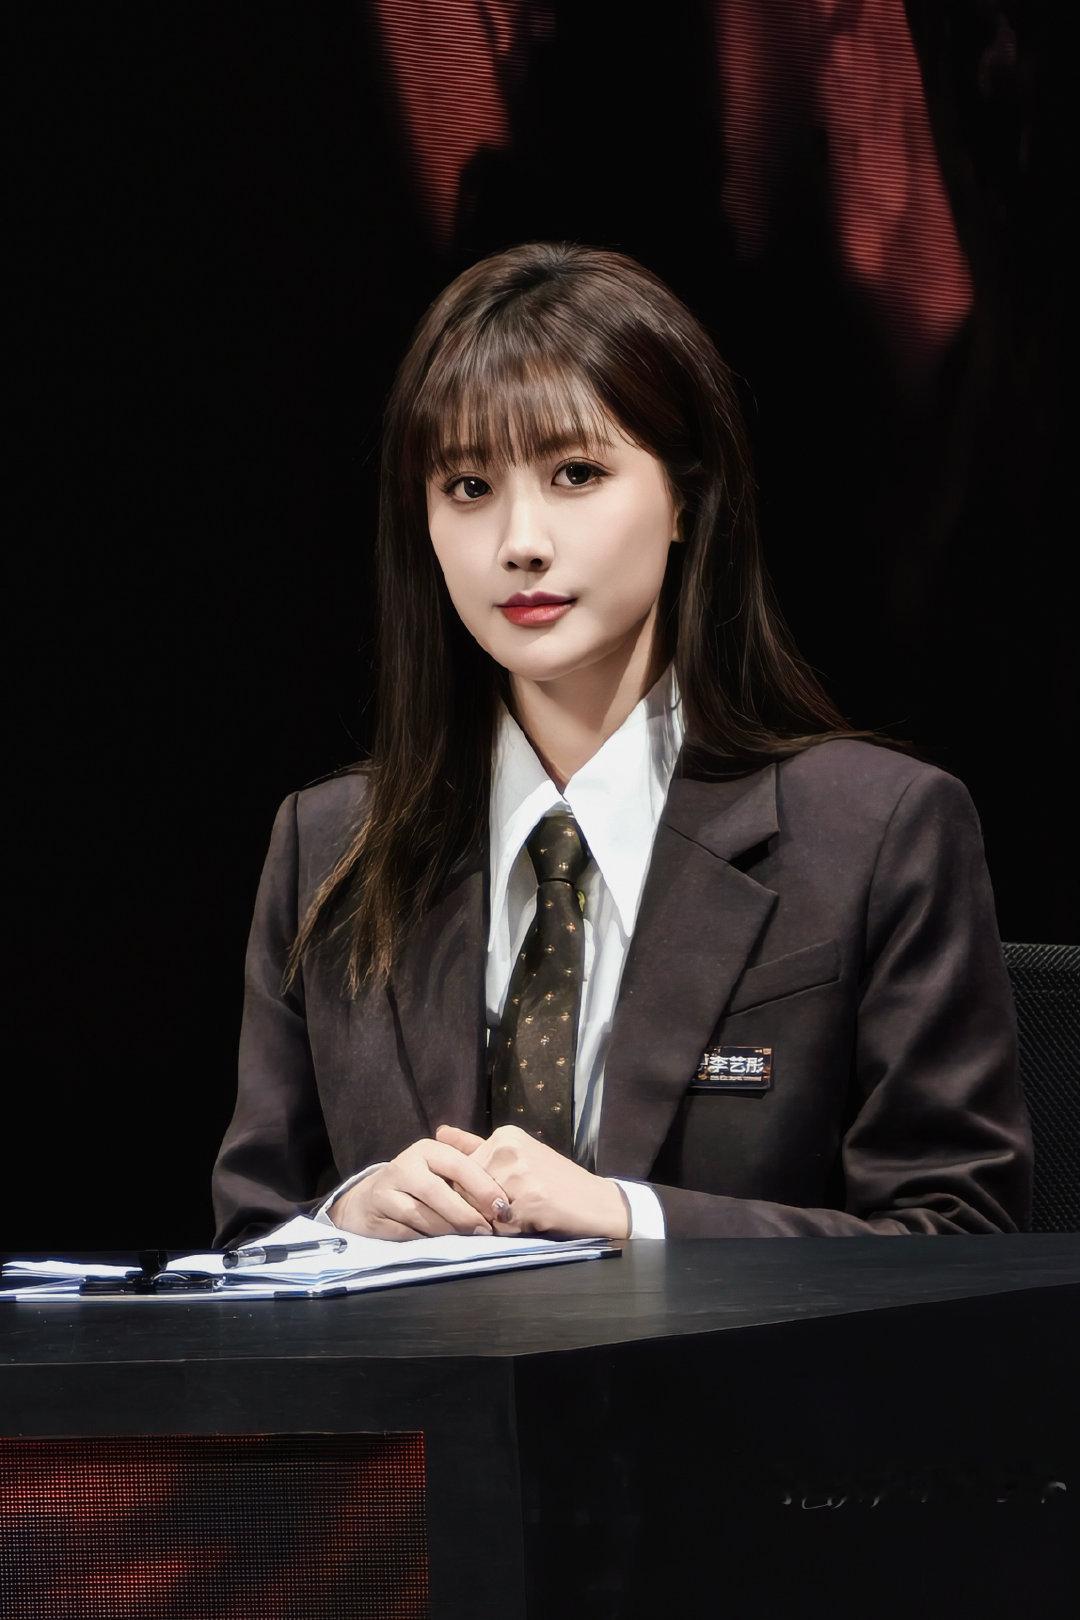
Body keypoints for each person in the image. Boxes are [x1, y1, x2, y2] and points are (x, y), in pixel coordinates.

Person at [211, 240, 1033, 1249]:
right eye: (467, 486)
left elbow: (958, 1234)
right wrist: (344, 1221)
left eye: (576, 473)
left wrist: (630, 1217)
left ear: (687, 496)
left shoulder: (876, 832)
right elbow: (249, 1236)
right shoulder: (328, 844)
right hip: (421, 1361)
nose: (520, 542)